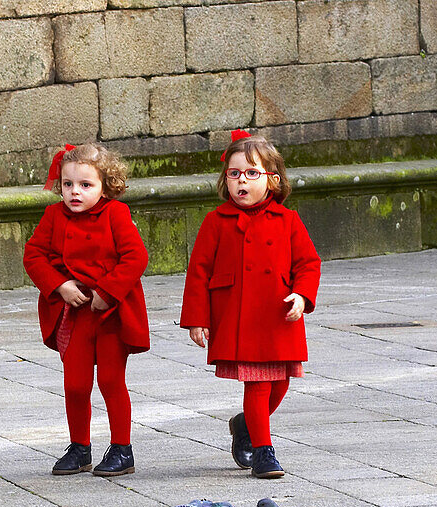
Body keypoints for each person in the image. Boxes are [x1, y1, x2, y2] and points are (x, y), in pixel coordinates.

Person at [180, 130, 321, 478]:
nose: (241, 180)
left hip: (278, 314)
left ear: (272, 180)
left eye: (251, 173)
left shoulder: (288, 220)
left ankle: (245, 424)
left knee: (281, 382)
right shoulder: (216, 222)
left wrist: (302, 295)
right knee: (257, 384)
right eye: (234, 173)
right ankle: (263, 451)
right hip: (239, 315)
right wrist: (198, 318)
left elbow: (308, 263)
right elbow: (198, 271)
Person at [23, 144, 149, 477]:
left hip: (109, 312)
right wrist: (59, 285)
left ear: (105, 186)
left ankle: (122, 448)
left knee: (110, 379)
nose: (74, 192)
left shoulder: (116, 214)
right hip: (74, 312)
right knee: (75, 385)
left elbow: (135, 257)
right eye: (68, 185)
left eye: (85, 185)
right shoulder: (53, 216)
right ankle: (79, 447)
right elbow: (33, 255)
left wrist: (108, 292)